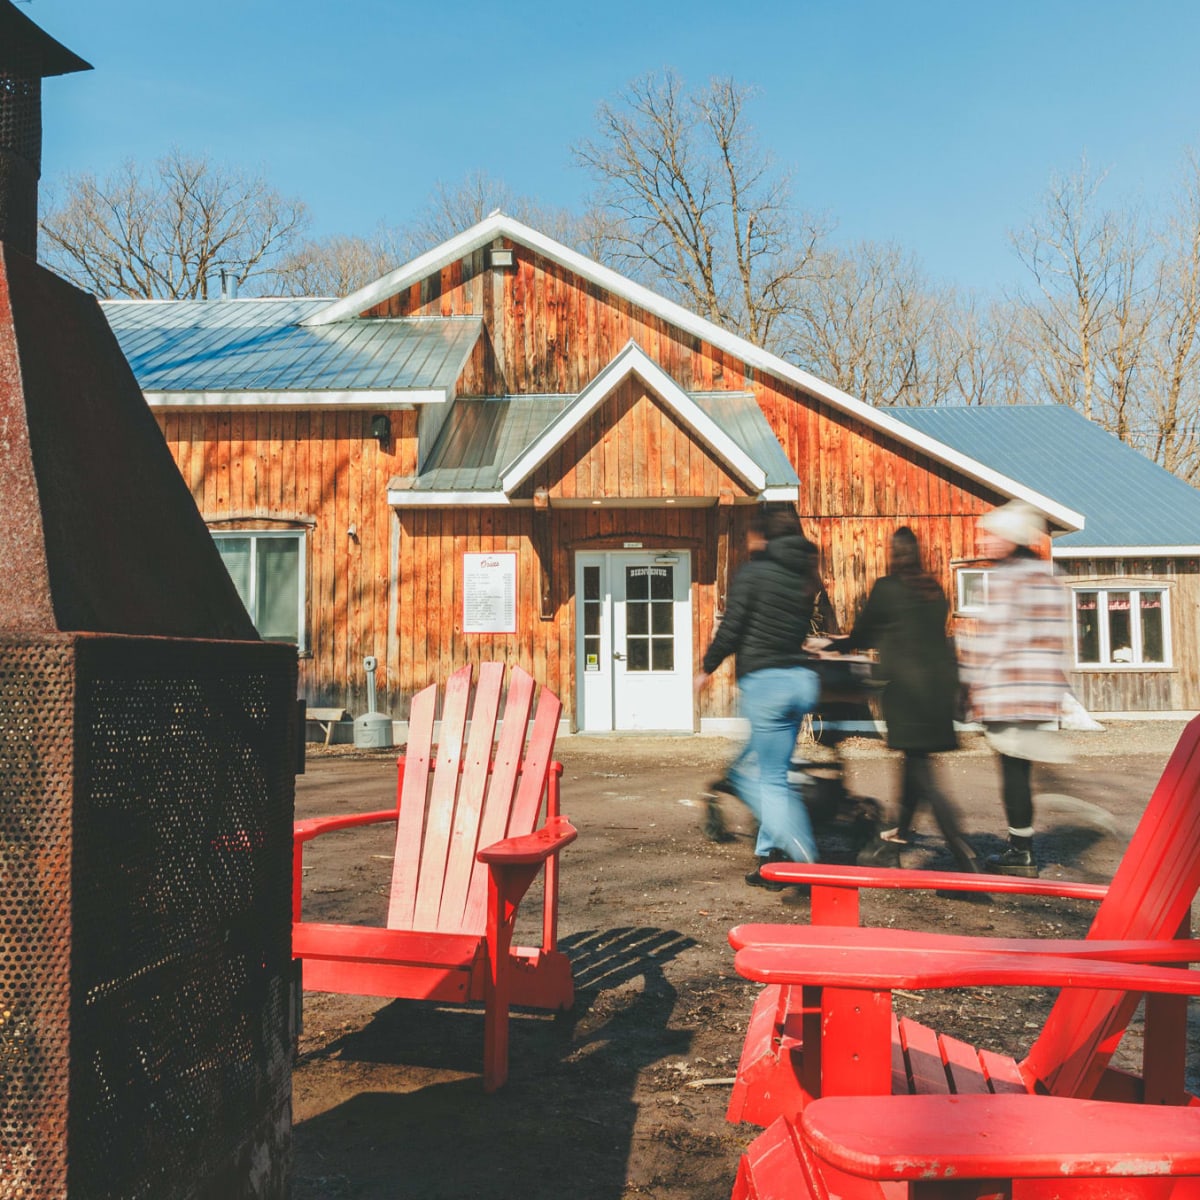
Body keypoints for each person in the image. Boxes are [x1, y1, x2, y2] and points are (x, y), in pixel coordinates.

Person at [829, 527, 978, 872]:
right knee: (914, 768)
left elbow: (864, 634)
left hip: (908, 694)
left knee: (925, 777)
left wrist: (833, 645)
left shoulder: (888, 588)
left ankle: (966, 856)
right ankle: (892, 847)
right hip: (938, 690)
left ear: (893, 553)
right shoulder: (933, 590)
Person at [695, 505, 822, 888]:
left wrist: (707, 667)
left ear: (763, 536)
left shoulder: (753, 574)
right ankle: (770, 858)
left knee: (761, 781)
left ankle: (808, 865)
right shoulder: (805, 575)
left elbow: (732, 629)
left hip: (766, 685)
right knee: (774, 776)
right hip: (799, 681)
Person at [961, 499, 1072, 877]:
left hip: (1009, 690)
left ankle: (1022, 851)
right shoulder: (1048, 575)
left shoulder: (1010, 578)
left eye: (990, 536)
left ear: (1010, 537)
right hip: (1039, 691)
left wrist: (970, 681)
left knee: (1012, 769)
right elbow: (1056, 637)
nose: (983, 543)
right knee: (1019, 766)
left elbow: (997, 638)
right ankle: (1021, 843)